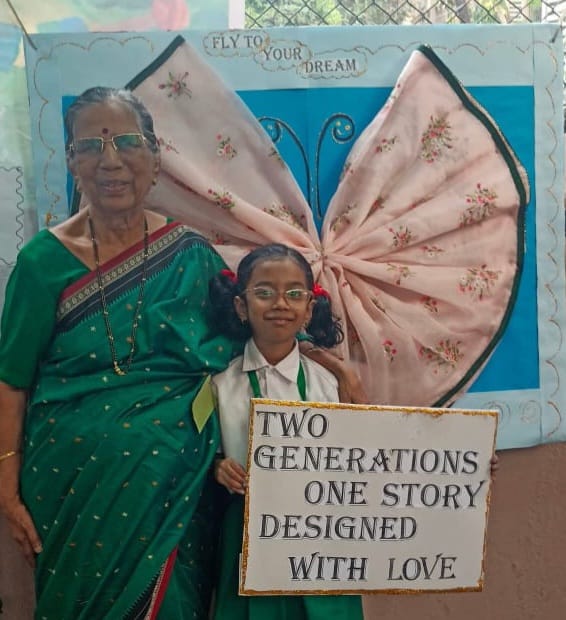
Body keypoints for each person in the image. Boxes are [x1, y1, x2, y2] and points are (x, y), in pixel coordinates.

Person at [0, 87, 364, 620]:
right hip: (74, 484)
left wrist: (338, 373)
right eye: (90, 146)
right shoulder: (42, 263)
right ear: (73, 162)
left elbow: (256, 329)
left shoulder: (190, 254)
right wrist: (6, 487)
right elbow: (11, 379)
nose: (110, 161)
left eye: (126, 143)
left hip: (176, 481)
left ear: (154, 159)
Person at [209, 243, 364, 620]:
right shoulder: (218, 384)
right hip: (248, 531)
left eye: (294, 294)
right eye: (264, 292)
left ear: (309, 308)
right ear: (241, 306)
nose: (280, 303)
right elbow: (203, 453)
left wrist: (464, 467)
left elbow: (369, 459)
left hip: (324, 532)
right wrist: (218, 467)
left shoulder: (332, 383)